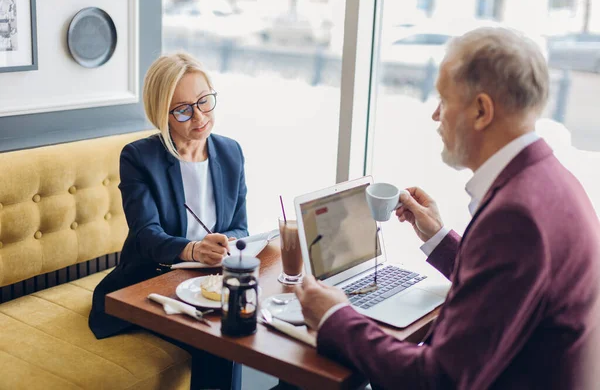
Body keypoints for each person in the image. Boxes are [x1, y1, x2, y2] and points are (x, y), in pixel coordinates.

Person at [295, 27, 600, 389]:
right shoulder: (549, 179)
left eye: (443, 99)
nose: (435, 115)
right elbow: (506, 292)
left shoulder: (515, 217)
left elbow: (440, 379)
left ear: (481, 110)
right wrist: (439, 237)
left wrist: (333, 317)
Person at [89, 52, 248, 389]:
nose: (200, 116)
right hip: (150, 283)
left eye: (204, 101)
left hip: (209, 282)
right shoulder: (139, 157)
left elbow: (239, 227)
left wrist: (225, 244)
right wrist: (194, 250)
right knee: (218, 339)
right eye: (183, 109)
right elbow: (147, 237)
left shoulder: (231, 152)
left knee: (253, 322)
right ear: (162, 115)